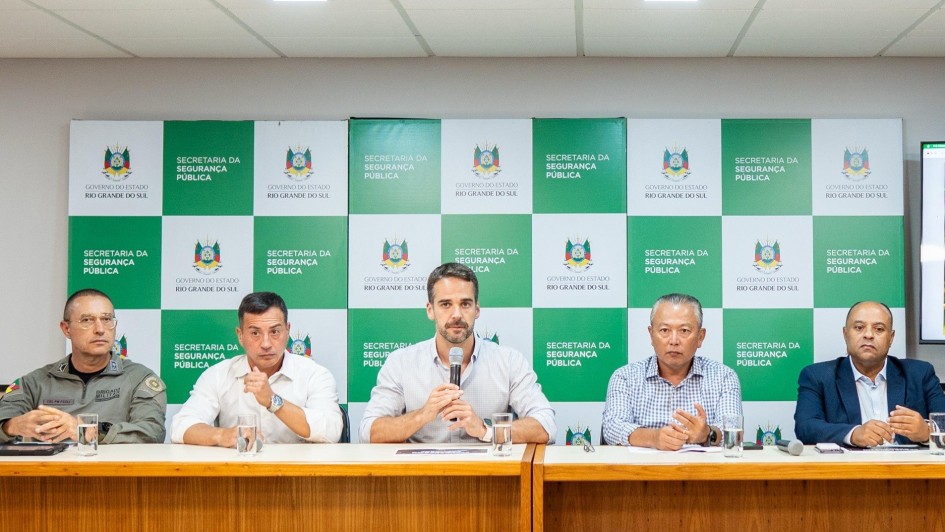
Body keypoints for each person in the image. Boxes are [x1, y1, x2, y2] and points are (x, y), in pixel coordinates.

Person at [360, 262, 556, 444]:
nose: (456, 315)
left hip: (488, 476)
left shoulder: (508, 361)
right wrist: (423, 414)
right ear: (430, 310)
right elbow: (369, 431)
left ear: (477, 309)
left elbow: (546, 426)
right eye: (446, 304)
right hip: (422, 477)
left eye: (465, 304)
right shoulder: (401, 363)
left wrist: (486, 430)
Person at [171, 291, 342, 446]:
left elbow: (331, 431)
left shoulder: (314, 374)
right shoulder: (218, 374)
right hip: (238, 474)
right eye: (255, 333)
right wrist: (222, 435)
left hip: (297, 476)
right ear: (240, 335)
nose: (266, 344)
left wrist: (272, 401)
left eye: (275, 332)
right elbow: (181, 426)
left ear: (287, 330)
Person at [0, 288, 166, 444]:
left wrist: (90, 430)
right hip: (50, 473)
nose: (100, 329)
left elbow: (152, 433)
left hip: (114, 472)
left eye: (107, 319)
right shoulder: (35, 382)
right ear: (66, 329)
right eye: (87, 320)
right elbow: (6, 417)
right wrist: (10, 426)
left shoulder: (139, 379)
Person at [794, 301, 945, 447]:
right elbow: (805, 427)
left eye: (879, 329)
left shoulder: (920, 374)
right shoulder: (817, 376)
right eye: (859, 327)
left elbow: (942, 420)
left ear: (891, 338)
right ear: (845, 334)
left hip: (909, 470)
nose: (868, 335)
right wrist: (853, 434)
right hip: (848, 470)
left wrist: (927, 432)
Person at [601, 293, 741, 449]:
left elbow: (734, 435)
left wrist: (707, 434)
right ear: (651, 334)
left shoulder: (724, 377)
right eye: (665, 330)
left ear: (700, 337)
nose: (674, 341)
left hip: (702, 472)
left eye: (684, 331)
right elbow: (612, 427)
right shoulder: (625, 377)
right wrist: (654, 438)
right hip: (641, 471)